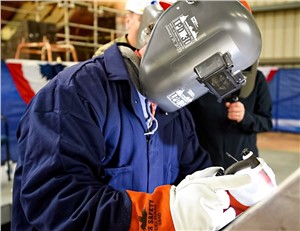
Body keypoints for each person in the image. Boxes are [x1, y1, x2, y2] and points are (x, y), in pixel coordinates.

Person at [12, 1, 276, 231]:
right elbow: (55, 201)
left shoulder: (174, 115)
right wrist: (162, 215)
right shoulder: (74, 93)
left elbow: (194, 171)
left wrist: (229, 191)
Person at [187, 63, 273, 169]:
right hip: (206, 167)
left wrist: (245, 117)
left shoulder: (255, 79)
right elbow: (186, 126)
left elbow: (266, 122)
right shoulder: (197, 82)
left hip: (244, 166)